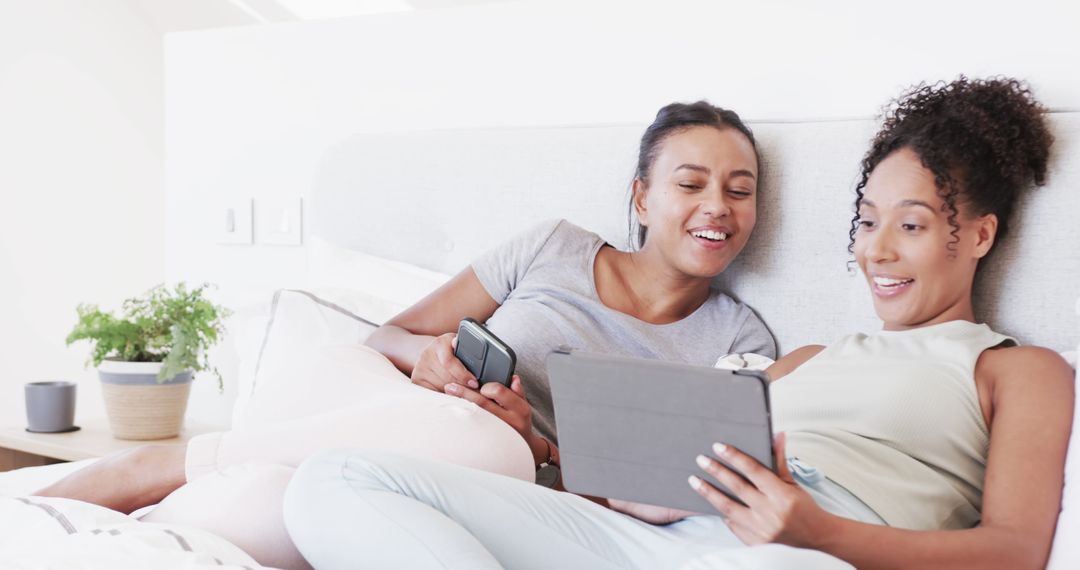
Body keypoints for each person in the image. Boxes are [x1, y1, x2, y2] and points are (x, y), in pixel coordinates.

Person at [281, 77, 1075, 570]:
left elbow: (1013, 552)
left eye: (912, 224)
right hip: (654, 541)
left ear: (977, 235)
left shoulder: (1018, 370)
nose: (878, 250)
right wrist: (610, 480)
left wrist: (820, 532)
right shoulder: (799, 358)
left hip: (805, 555)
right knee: (336, 480)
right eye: (868, 222)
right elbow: (667, 474)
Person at [36, 101, 776, 569]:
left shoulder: (737, 340)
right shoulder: (554, 247)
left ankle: (145, 504)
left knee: (265, 513)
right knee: (477, 438)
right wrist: (427, 357)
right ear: (642, 196)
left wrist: (546, 448)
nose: (717, 206)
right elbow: (384, 338)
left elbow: (651, 503)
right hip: (365, 401)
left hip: (476, 475)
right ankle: (155, 466)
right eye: (691, 183)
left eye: (739, 191)